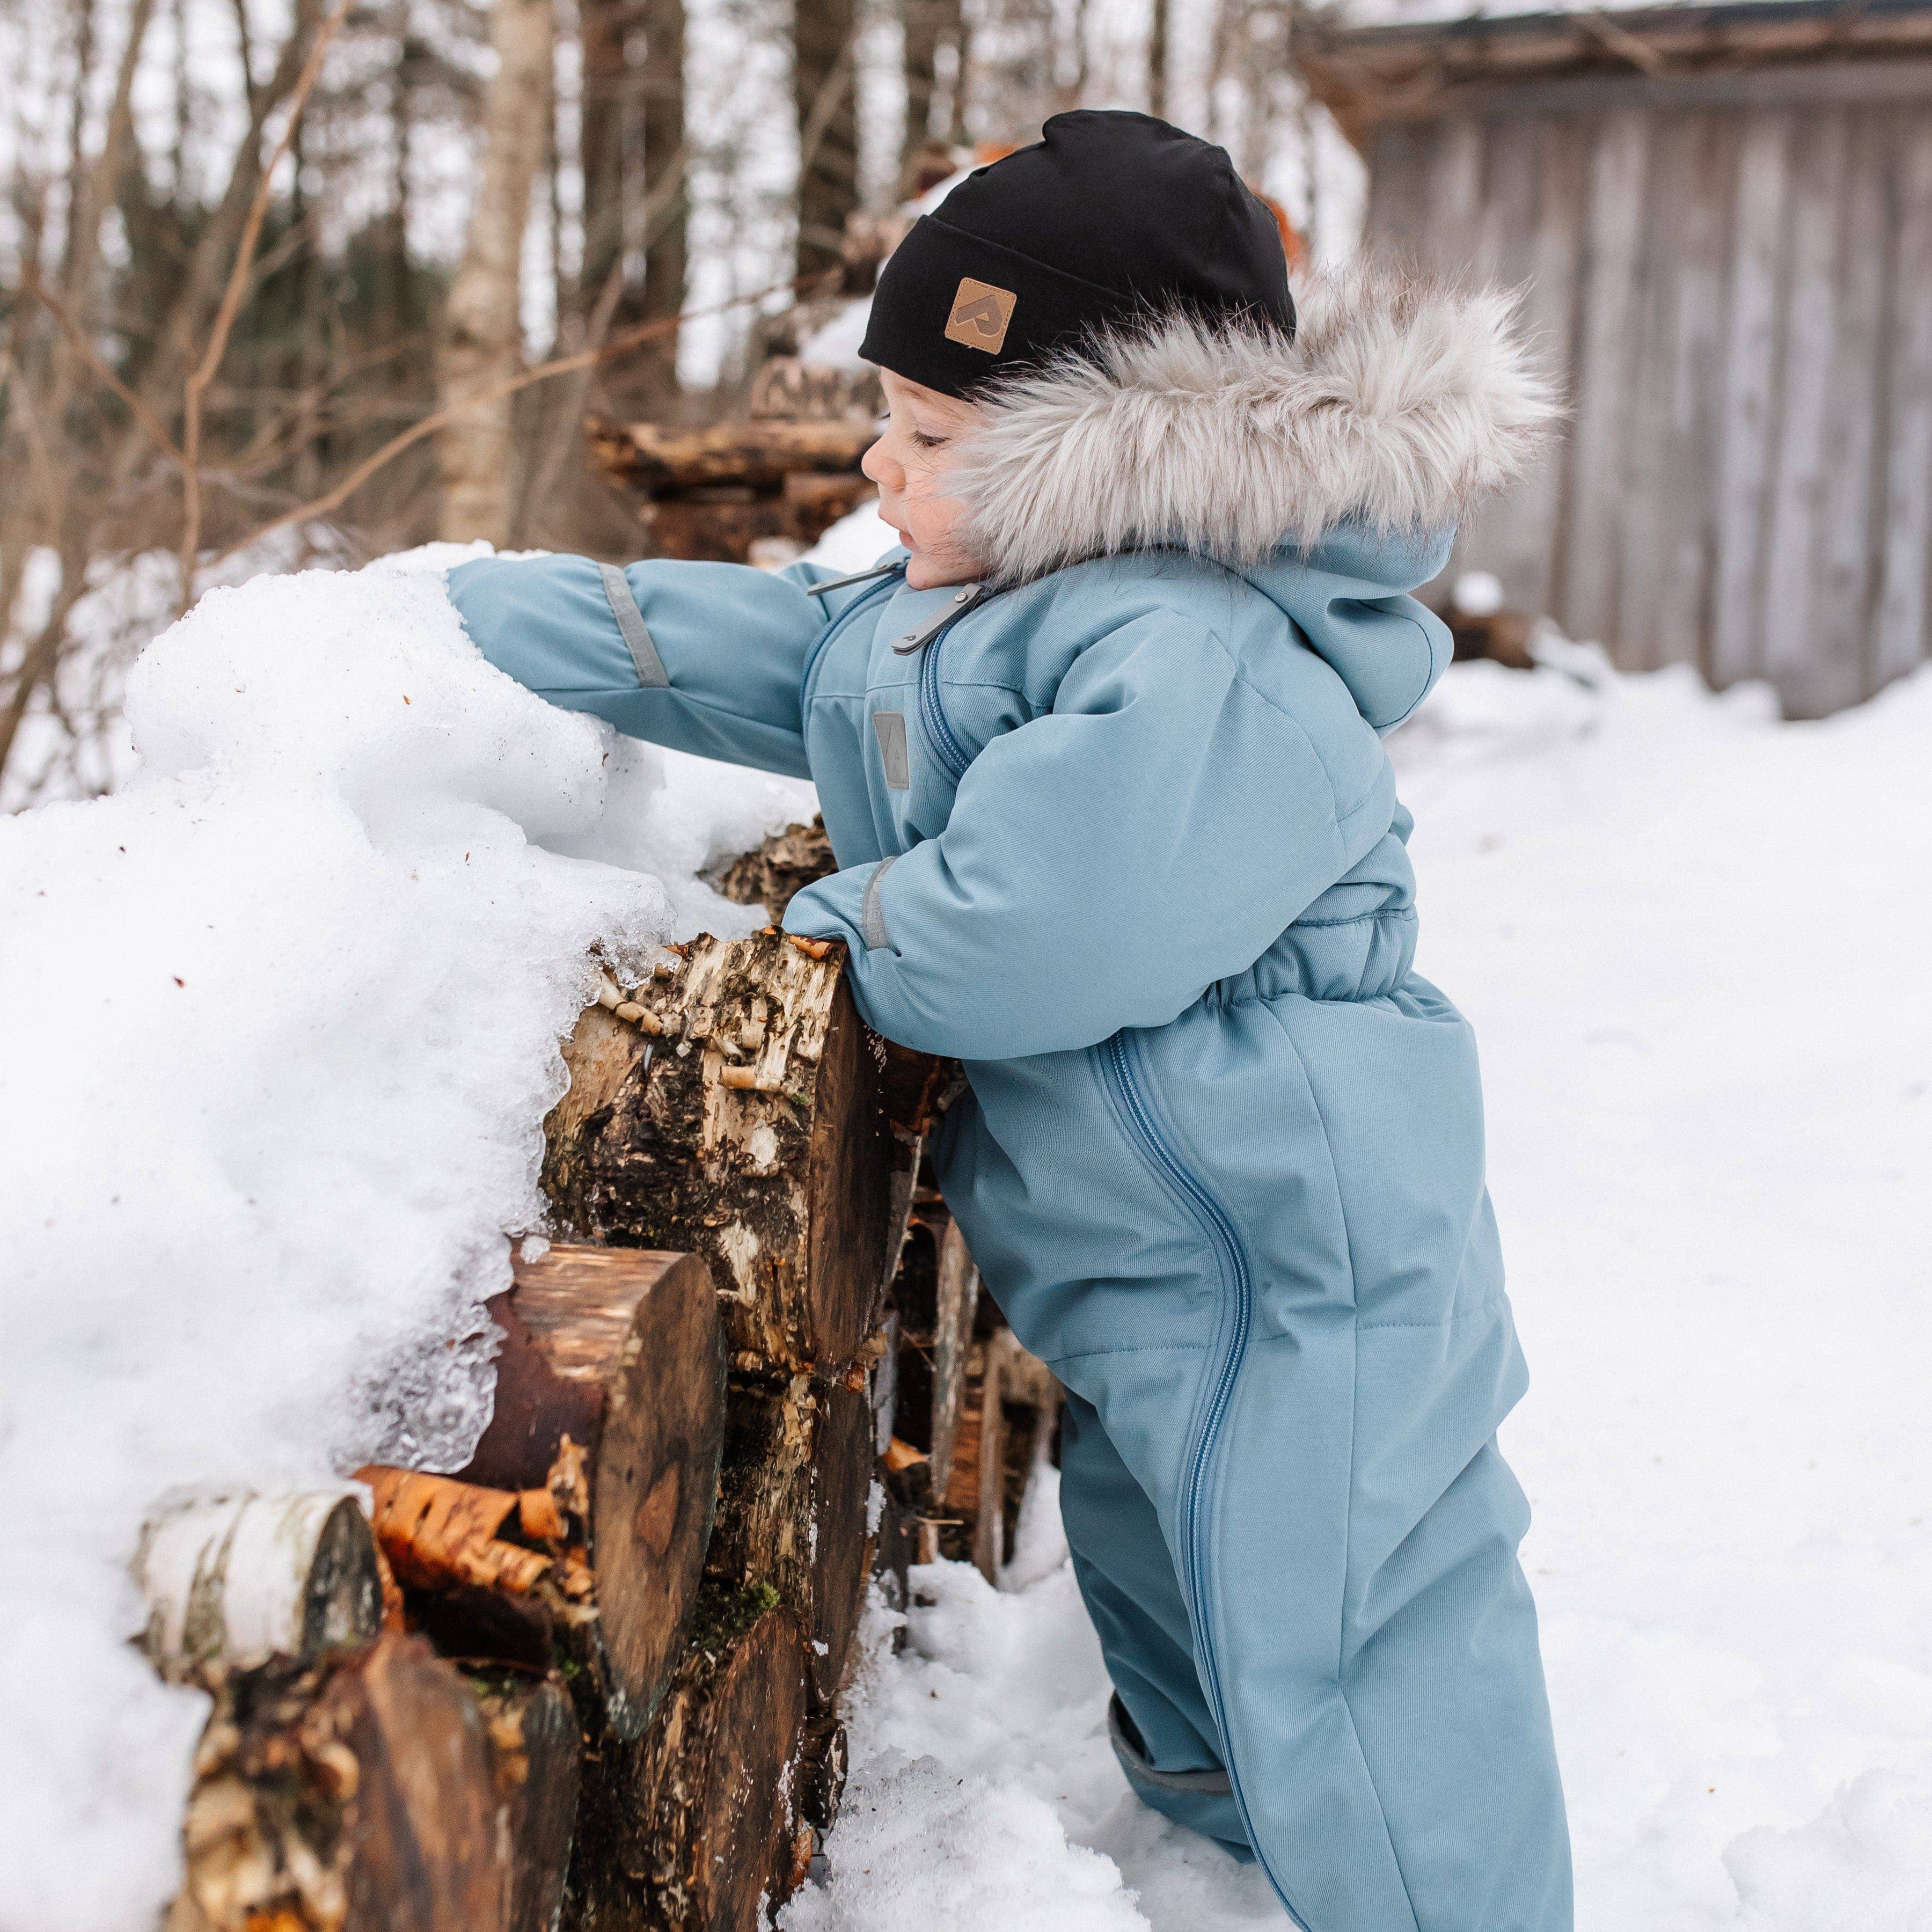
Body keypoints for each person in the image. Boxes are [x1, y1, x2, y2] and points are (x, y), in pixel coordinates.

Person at [447, 109, 1571, 1932]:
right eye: (886, 417)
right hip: (1151, 1261)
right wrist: (468, 619)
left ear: (1103, 452)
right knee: (1161, 1561)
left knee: (1357, 1616)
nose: (880, 467)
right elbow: (781, 656)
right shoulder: (978, 601)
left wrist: (833, 925)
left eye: (932, 434)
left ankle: (1445, 1899)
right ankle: (1227, 1839)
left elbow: (1043, 931)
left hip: (1303, 1250)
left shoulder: (1194, 653)